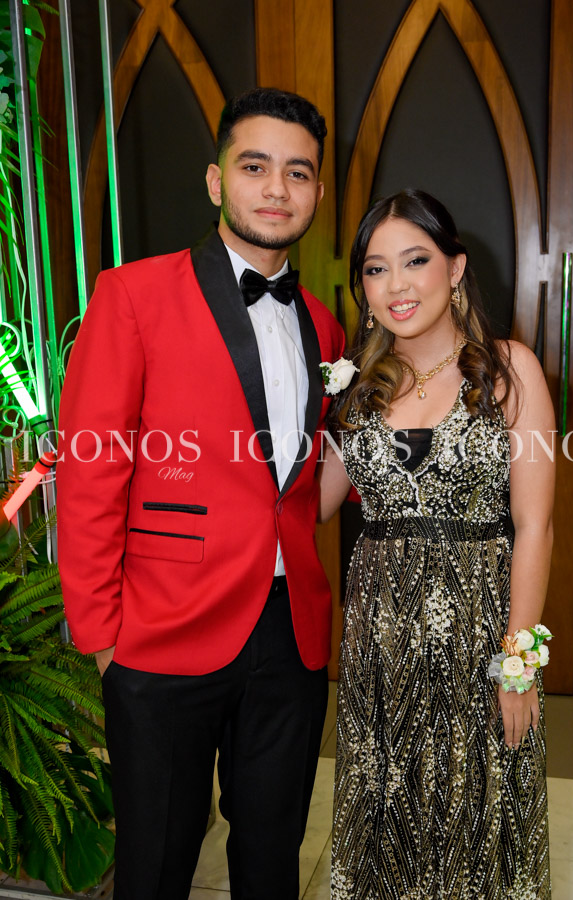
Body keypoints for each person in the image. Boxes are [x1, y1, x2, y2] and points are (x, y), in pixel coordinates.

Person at [56, 87, 344, 900]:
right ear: (217, 180)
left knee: (271, 854)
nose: (276, 189)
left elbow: (301, 482)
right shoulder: (132, 294)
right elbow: (91, 470)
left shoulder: (323, 324)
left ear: (318, 192)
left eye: (297, 172)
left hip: (290, 635)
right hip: (161, 627)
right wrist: (103, 637)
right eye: (255, 167)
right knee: (156, 861)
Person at [318, 189, 554, 898]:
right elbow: (315, 503)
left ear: (454, 269)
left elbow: (535, 525)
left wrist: (518, 666)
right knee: (388, 821)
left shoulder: (508, 370)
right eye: (375, 268)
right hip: (380, 647)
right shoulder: (359, 386)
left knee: (476, 818)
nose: (395, 284)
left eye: (414, 260)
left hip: (480, 639)